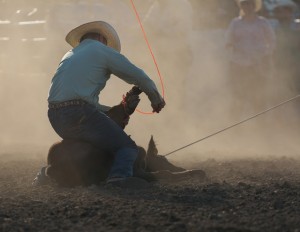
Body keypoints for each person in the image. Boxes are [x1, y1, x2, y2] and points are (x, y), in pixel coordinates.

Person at [33, 21, 165, 186]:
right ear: (103, 39)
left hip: (56, 116)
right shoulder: (101, 50)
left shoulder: (69, 55)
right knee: (127, 147)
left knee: (92, 145)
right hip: (79, 113)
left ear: (83, 39)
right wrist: (156, 98)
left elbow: (85, 104)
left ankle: (47, 174)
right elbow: (138, 76)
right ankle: (118, 177)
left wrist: (118, 110)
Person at [225, 0, 276, 117]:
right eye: (244, 4)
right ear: (241, 6)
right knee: (238, 95)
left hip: (258, 65)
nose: (247, 6)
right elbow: (228, 41)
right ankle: (235, 123)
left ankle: (260, 125)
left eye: (249, 3)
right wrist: (232, 52)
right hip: (239, 64)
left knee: (258, 96)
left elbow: (272, 41)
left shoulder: (262, 23)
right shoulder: (235, 23)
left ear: (254, 6)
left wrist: (266, 55)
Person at [272, 0, 300, 93]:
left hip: (296, 61)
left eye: (283, 11)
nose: (281, 14)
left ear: (289, 11)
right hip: (281, 61)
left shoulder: (297, 25)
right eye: (279, 11)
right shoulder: (275, 26)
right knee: (283, 88)